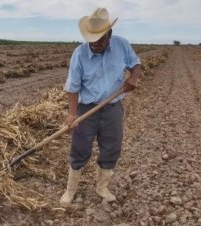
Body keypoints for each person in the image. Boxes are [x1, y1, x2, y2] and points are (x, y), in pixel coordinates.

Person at [60, 7, 141, 205]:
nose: (95, 44)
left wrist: (134, 77)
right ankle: (70, 190)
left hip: (113, 107)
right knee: (80, 148)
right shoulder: (79, 54)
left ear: (109, 34)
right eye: (92, 40)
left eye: (100, 40)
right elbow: (73, 88)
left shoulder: (122, 45)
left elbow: (136, 63)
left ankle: (102, 188)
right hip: (86, 109)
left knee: (112, 147)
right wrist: (72, 115)